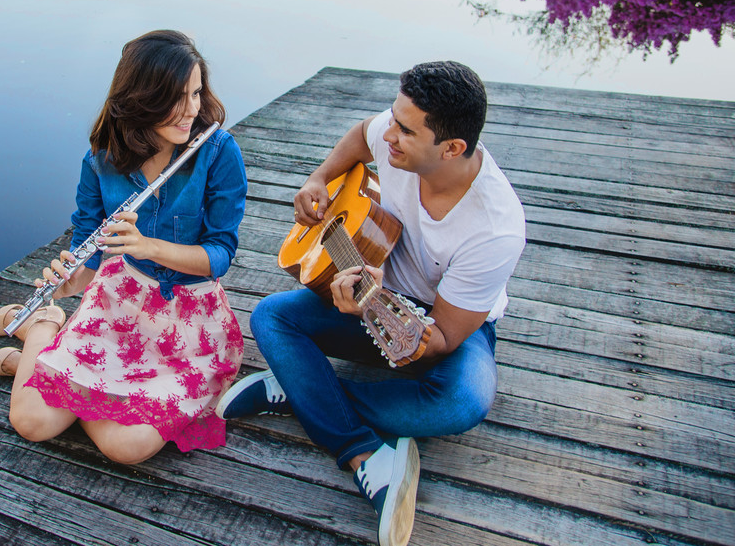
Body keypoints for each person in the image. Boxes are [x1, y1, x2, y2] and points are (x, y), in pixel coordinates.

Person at [217, 61, 525, 546]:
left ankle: (300, 390)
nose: (391, 135)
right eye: (394, 118)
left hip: (446, 324)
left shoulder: (495, 229)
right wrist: (319, 178)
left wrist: (374, 309)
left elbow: (441, 340)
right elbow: (363, 134)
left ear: (452, 148)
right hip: (372, 284)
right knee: (271, 316)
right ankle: (363, 450)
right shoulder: (393, 134)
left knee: (462, 402)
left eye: (405, 131)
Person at [0, 30, 247, 465]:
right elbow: (88, 258)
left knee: (127, 447)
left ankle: (44, 364)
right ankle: (46, 325)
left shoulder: (217, 151)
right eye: (176, 98)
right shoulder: (101, 159)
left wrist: (149, 247)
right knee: (32, 424)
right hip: (119, 304)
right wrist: (68, 283)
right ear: (142, 99)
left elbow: (220, 256)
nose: (191, 110)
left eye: (196, 93)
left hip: (187, 322)